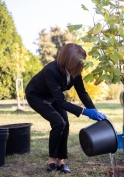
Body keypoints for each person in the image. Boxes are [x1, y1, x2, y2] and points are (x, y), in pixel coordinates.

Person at [25, 43, 106, 173]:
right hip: (37, 96)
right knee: (58, 122)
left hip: (53, 96)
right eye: (78, 64)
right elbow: (61, 102)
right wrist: (85, 112)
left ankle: (61, 160)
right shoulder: (51, 70)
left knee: (65, 124)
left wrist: (95, 111)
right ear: (68, 61)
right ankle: (52, 160)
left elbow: (82, 93)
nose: (81, 67)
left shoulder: (75, 71)